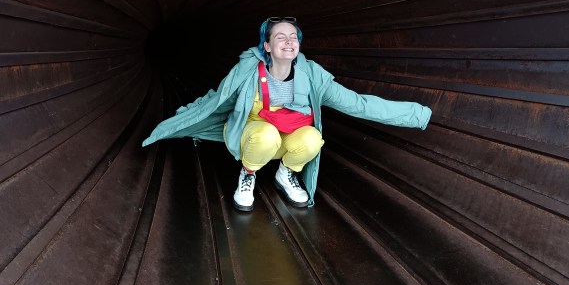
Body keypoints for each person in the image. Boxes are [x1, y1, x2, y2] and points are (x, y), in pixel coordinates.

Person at [141, 17, 432, 211]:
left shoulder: (312, 76)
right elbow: (215, 100)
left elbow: (359, 104)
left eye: (293, 36)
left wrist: (416, 115)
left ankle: (287, 173)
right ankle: (248, 173)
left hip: (288, 136)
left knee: (313, 139)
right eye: (280, 37)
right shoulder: (247, 72)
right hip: (254, 135)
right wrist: (181, 117)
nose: (289, 41)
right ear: (267, 46)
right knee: (266, 136)